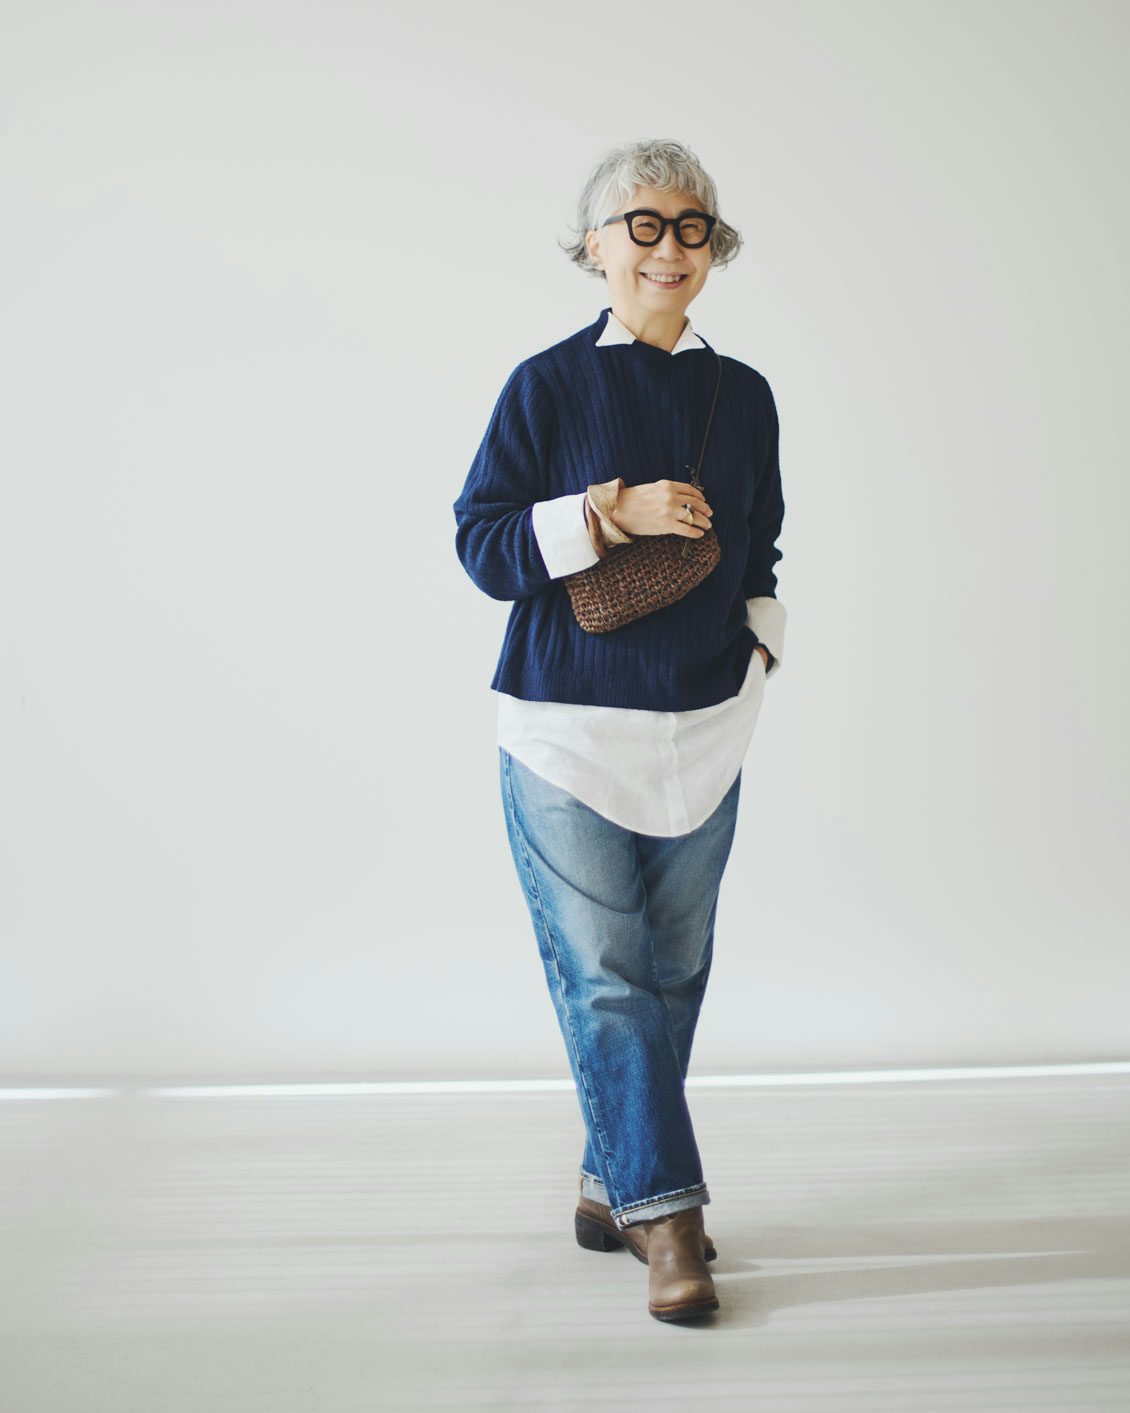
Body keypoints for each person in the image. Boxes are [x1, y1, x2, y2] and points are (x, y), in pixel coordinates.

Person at [452, 138, 787, 1323]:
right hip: (565, 728)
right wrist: (604, 513)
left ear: (712, 249)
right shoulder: (544, 386)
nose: (666, 248)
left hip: (704, 723)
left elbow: (759, 542)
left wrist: (760, 640)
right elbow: (482, 545)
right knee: (605, 982)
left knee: (673, 972)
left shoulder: (743, 395)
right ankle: (668, 1221)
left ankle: (610, 1184)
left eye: (690, 227)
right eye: (640, 225)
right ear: (595, 244)